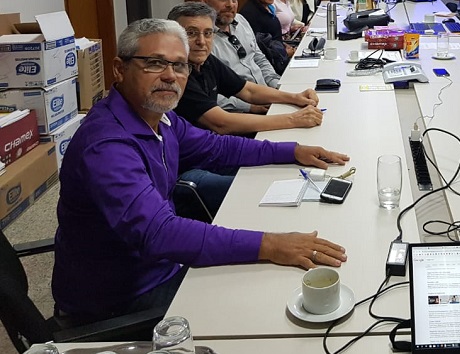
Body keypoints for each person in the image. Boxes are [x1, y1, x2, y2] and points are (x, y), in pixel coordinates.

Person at [52, 18, 348, 320]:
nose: (170, 76)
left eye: (179, 66)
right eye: (155, 63)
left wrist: (293, 151)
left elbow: (218, 148)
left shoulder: (159, 117)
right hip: (120, 299)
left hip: (161, 266)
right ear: (119, 69)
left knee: (274, 278)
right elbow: (160, 233)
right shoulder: (107, 146)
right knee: (267, 301)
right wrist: (271, 244)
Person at [168, 1, 323, 133]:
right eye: (191, 33)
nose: (201, 41)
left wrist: (295, 97)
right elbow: (221, 123)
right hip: (197, 158)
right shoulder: (176, 75)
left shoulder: (206, 61)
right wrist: (293, 119)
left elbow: (247, 90)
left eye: (208, 33)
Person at [200, 0, 284, 107]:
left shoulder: (241, 21)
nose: (230, 5)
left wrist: (277, 85)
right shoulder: (202, 41)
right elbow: (211, 93)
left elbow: (258, 58)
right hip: (240, 110)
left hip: (266, 95)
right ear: (204, 0)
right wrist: (250, 107)